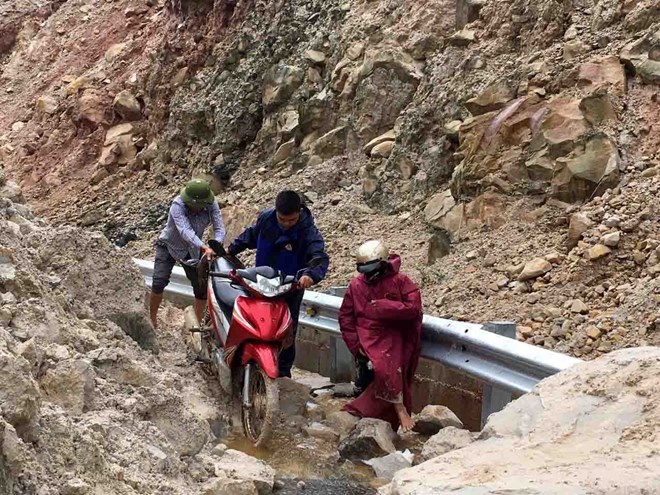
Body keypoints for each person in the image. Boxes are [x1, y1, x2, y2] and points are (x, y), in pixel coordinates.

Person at [227, 190, 329, 377]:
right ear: (276, 211)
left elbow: (319, 257)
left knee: (286, 331)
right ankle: (242, 360)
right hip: (261, 283)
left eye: (291, 220)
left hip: (289, 288)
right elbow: (251, 236)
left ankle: (282, 373)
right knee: (253, 321)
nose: (286, 223)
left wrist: (310, 275)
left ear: (299, 212)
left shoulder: (308, 232)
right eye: (282, 219)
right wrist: (230, 250)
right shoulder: (267, 219)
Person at [338, 240, 422, 432]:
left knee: (391, 367)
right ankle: (397, 410)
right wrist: (355, 345)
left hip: (395, 334)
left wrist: (386, 307)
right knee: (383, 367)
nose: (368, 275)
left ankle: (389, 414)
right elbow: (346, 317)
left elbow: (414, 308)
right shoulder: (356, 285)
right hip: (367, 336)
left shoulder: (401, 281)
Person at [150, 179, 225, 329]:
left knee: (201, 287)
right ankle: (152, 318)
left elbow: (219, 227)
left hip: (192, 249)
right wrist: (203, 246)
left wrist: (216, 245)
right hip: (169, 245)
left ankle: (197, 326)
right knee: (159, 281)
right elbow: (185, 231)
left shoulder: (211, 204)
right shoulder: (177, 205)